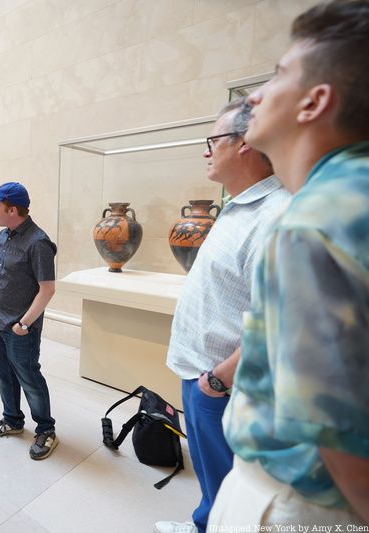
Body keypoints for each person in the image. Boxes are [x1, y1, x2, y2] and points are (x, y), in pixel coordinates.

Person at [209, 0, 369, 528]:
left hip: (304, 506)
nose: (255, 95)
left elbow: (339, 434)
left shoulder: (316, 221)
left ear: (314, 102)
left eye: (279, 75)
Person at [154, 99, 290, 533]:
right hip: (201, 372)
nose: (206, 150)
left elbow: (277, 321)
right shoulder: (238, 205)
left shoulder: (275, 216)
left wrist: (217, 380)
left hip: (223, 383)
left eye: (213, 140)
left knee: (233, 485)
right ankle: (202, 525)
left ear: (246, 144)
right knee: (213, 475)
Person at [0, 182, 59, 460]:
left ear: (12, 209)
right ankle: (12, 419)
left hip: (21, 328)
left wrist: (24, 324)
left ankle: (46, 429)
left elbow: (48, 289)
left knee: (29, 377)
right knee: (3, 373)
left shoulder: (38, 242)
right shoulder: (5, 235)